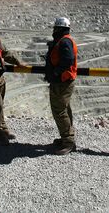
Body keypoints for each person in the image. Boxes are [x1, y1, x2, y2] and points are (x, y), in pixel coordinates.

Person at [45, 17, 78, 155]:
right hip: (62, 81)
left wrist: (57, 71)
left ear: (59, 29)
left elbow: (68, 59)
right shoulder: (64, 40)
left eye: (55, 28)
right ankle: (67, 137)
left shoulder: (64, 41)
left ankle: (68, 142)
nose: (54, 31)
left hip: (62, 82)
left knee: (59, 110)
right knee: (64, 109)